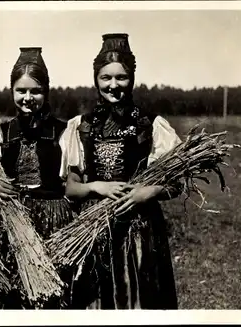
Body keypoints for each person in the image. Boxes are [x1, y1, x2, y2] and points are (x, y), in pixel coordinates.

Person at [59, 33, 181, 309]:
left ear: (132, 78)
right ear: (96, 79)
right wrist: (96, 186)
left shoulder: (152, 125)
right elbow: (71, 188)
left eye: (121, 77)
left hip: (140, 233)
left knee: (139, 300)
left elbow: (176, 184)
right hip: (94, 233)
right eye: (106, 78)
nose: (113, 86)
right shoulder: (81, 126)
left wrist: (147, 192)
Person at [0, 47, 76, 308]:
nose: (28, 98)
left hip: (54, 224)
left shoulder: (64, 131)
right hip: (10, 224)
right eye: (21, 91)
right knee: (11, 295)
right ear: (12, 91)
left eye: (36, 91)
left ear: (46, 92)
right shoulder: (0, 133)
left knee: (51, 297)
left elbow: (73, 180)